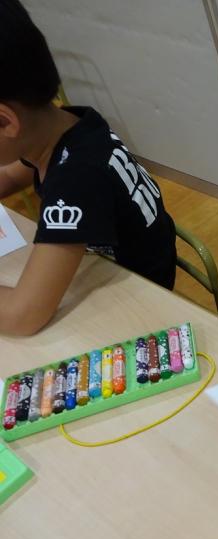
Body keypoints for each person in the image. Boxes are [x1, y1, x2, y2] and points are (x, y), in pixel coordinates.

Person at [0, 0, 176, 336]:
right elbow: (9, 175)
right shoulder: (64, 125)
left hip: (139, 299)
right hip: (114, 263)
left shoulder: (76, 180)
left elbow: (22, 316)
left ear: (6, 121)